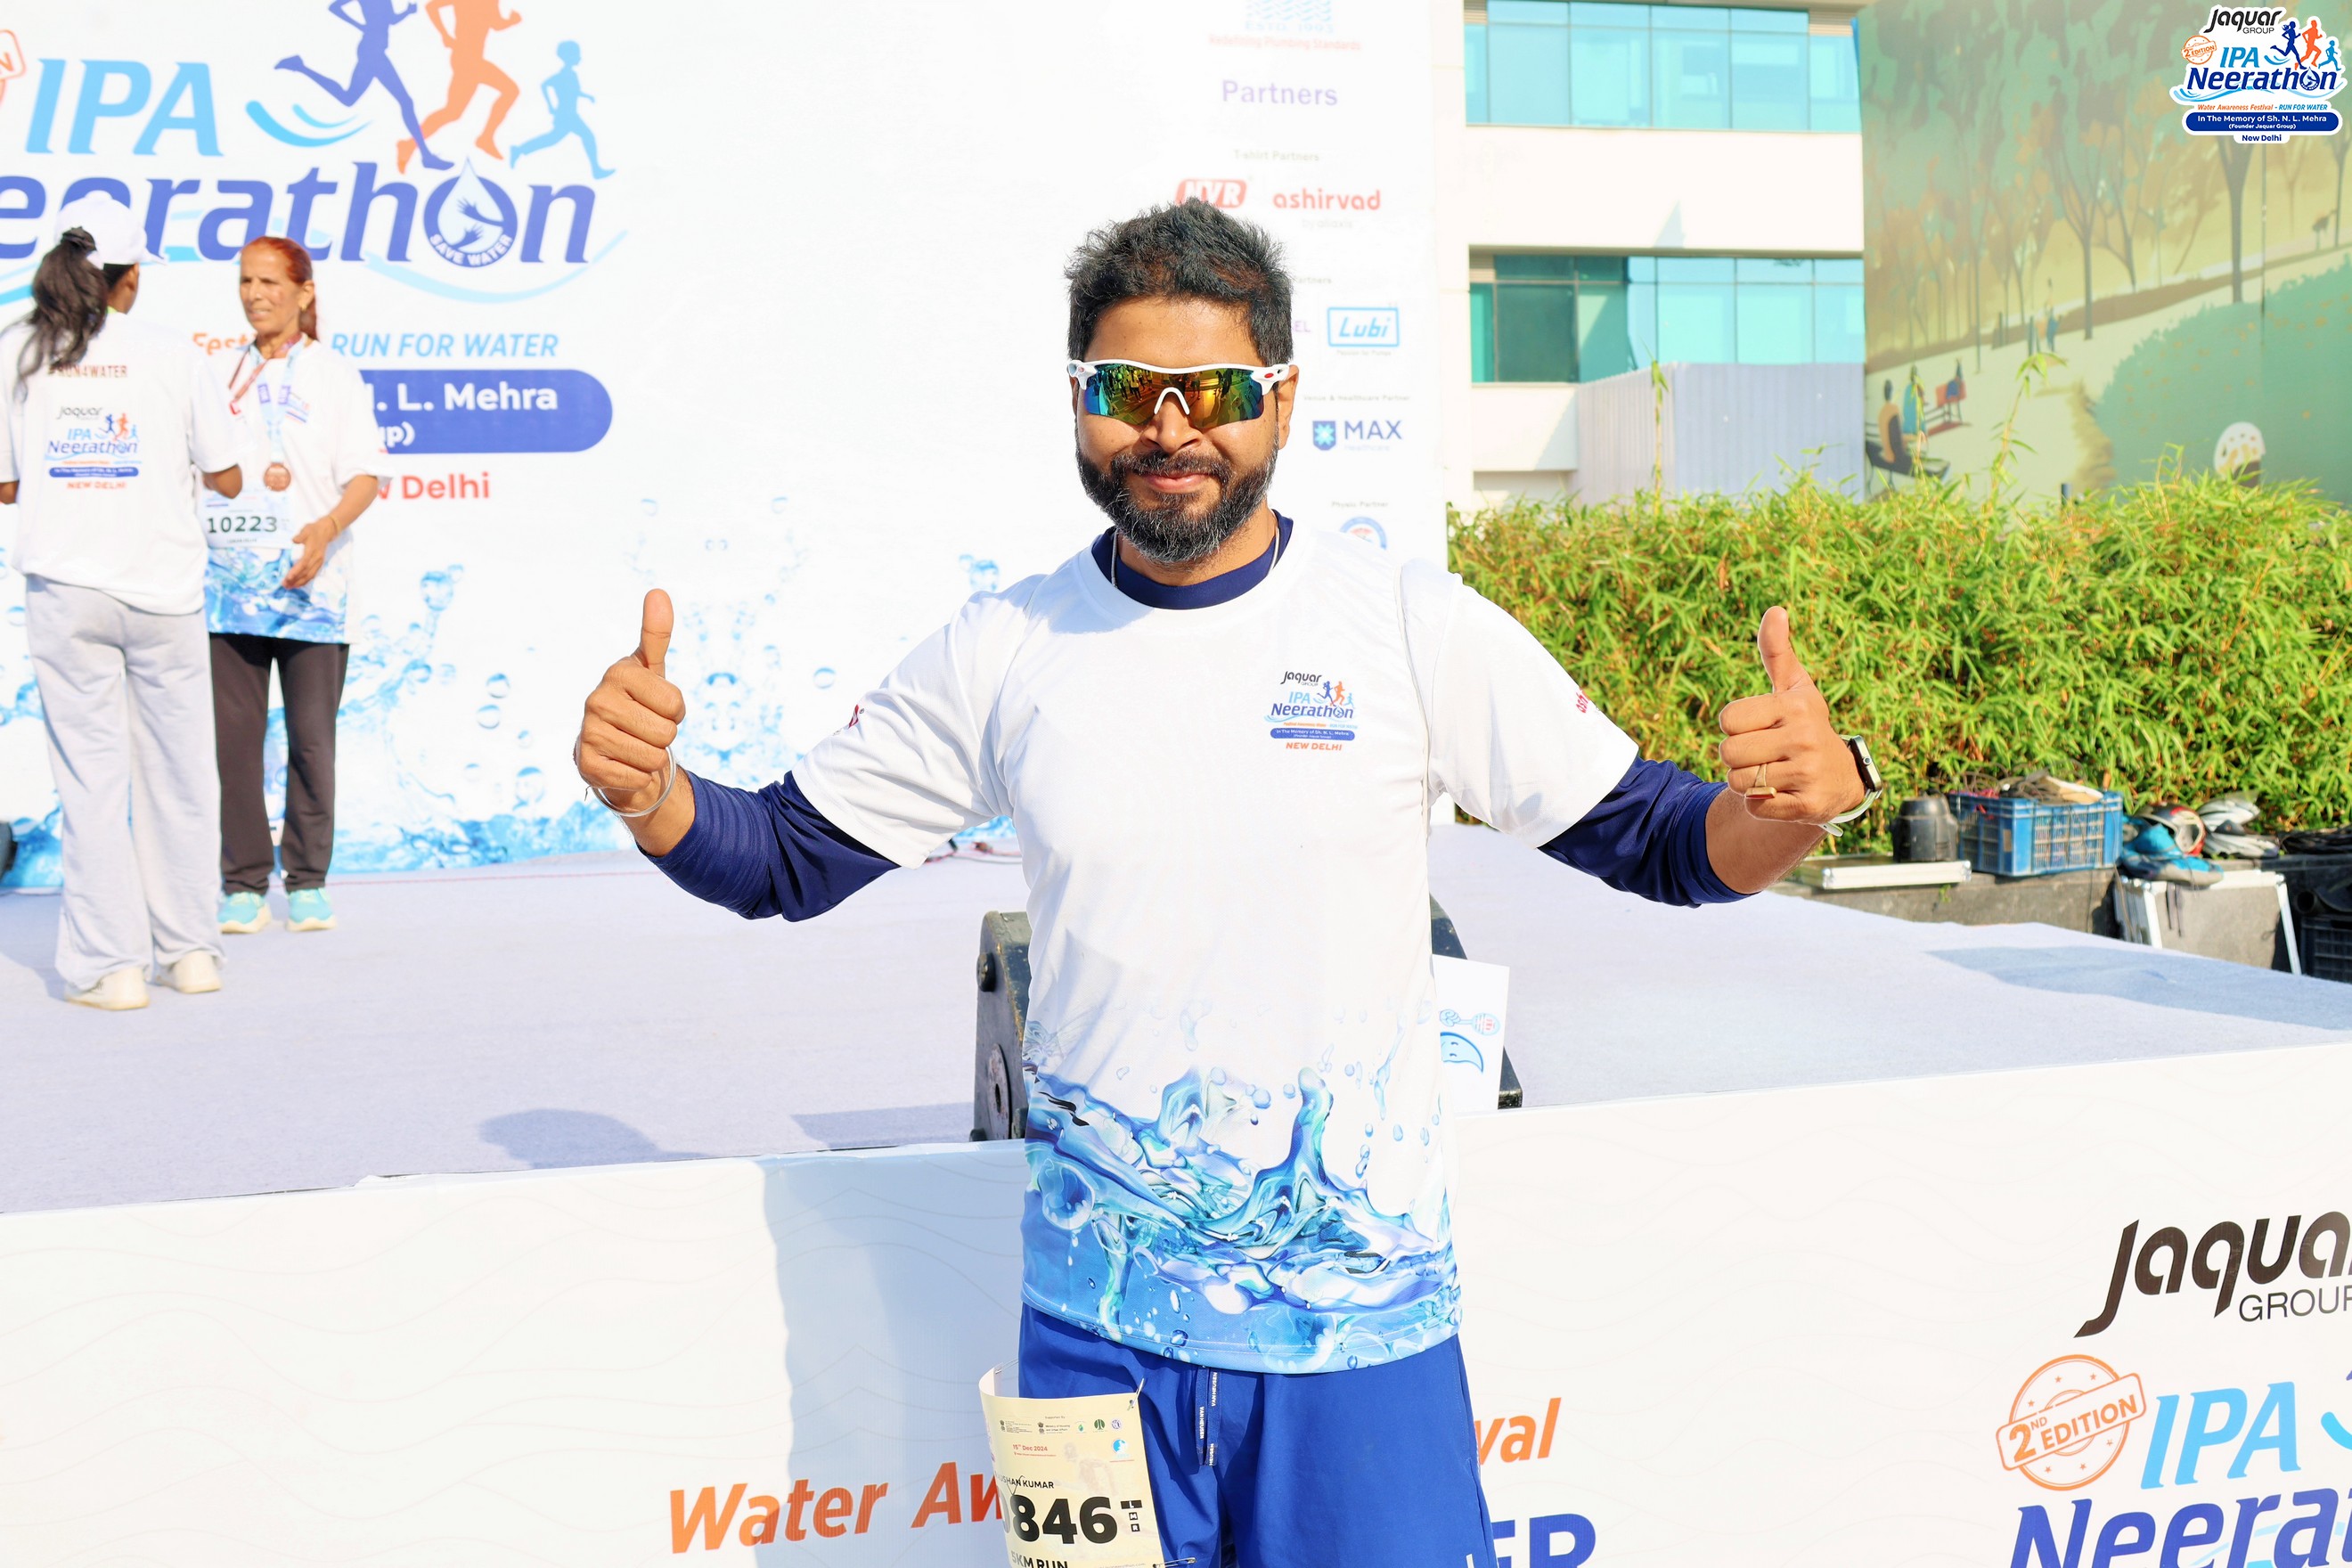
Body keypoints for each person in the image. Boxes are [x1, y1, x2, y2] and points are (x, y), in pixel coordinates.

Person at [573, 202, 1876, 1567]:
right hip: (1093, 1349)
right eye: (1128, 390)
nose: (1171, 427)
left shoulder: (1405, 626)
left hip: (1359, 1340)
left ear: (1284, 401)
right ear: (1079, 403)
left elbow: (1662, 841)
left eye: (1217, 392)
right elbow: (781, 857)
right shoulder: (1006, 647)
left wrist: (1791, 809)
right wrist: (652, 793)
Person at [0, 195, 247, 1010]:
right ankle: (192, 953)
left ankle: (112, 969)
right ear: (129, 277)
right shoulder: (174, 352)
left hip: (67, 591)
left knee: (91, 783)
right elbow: (228, 476)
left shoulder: (17, 348)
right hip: (164, 593)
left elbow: (6, 484)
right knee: (181, 775)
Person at [208, 238, 388, 937]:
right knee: (235, 745)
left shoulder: (335, 375)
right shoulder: (220, 373)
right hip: (232, 588)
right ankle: (243, 883)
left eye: (269, 282)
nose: (254, 295)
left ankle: (307, 879)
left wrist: (326, 527)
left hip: (316, 587)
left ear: (304, 292)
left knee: (312, 743)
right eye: (245, 282)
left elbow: (365, 474)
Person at [278, 0, 451, 172]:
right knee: (404, 101)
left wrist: (407, 12)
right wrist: (359, 25)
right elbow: (334, 7)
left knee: (350, 98)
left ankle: (300, 67)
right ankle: (426, 156)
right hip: (372, 53)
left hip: (376, 52)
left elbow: (390, 20)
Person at [399, 0, 525, 172]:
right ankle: (410, 145)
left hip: (475, 60)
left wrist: (511, 21)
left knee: (454, 112)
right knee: (454, 111)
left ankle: (485, 138)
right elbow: (431, 7)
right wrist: (445, 35)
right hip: (465, 59)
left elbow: (495, 24)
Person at [507, 42, 612, 178]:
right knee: (584, 136)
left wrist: (587, 96)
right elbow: (544, 85)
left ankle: (519, 150)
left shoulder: (572, 75)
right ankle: (596, 170)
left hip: (571, 114)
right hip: (566, 115)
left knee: (553, 139)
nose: (579, 57)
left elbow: (574, 92)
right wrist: (550, 106)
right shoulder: (562, 76)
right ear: (569, 57)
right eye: (576, 54)